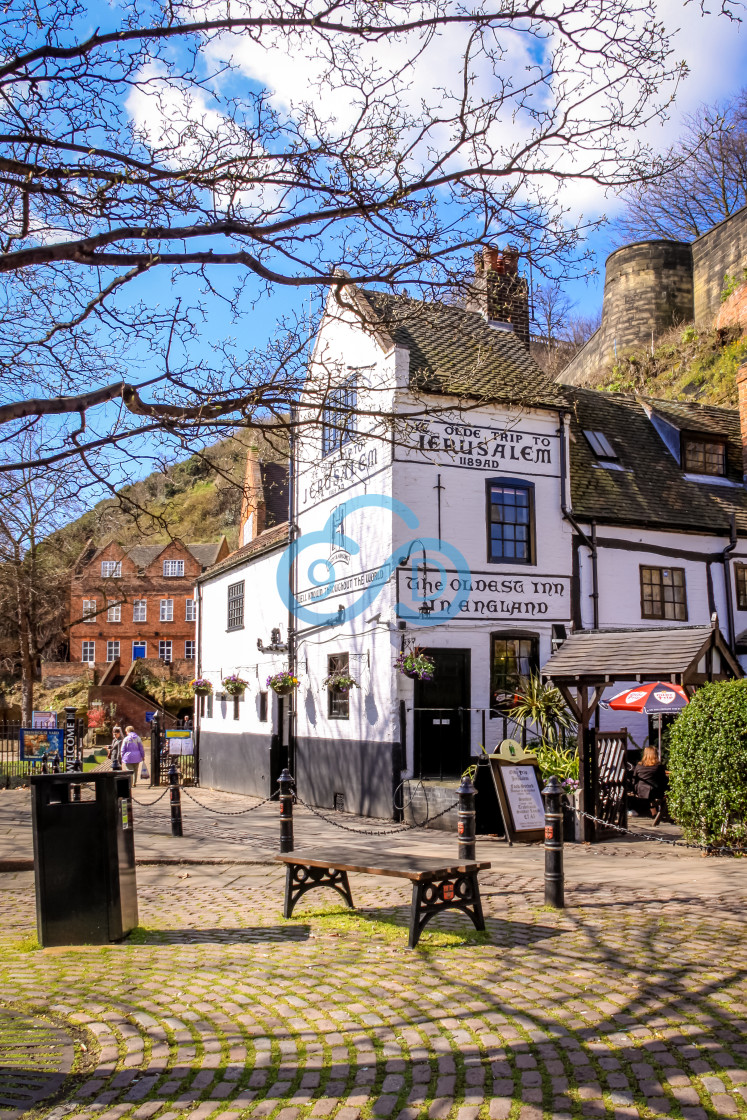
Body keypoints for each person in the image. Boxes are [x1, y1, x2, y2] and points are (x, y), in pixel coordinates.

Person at [633, 746, 669, 825]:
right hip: (654, 792)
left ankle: (654, 812)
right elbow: (663, 781)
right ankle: (662, 813)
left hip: (640, 791)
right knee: (667, 792)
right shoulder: (658, 767)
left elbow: (634, 780)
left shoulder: (638, 766)